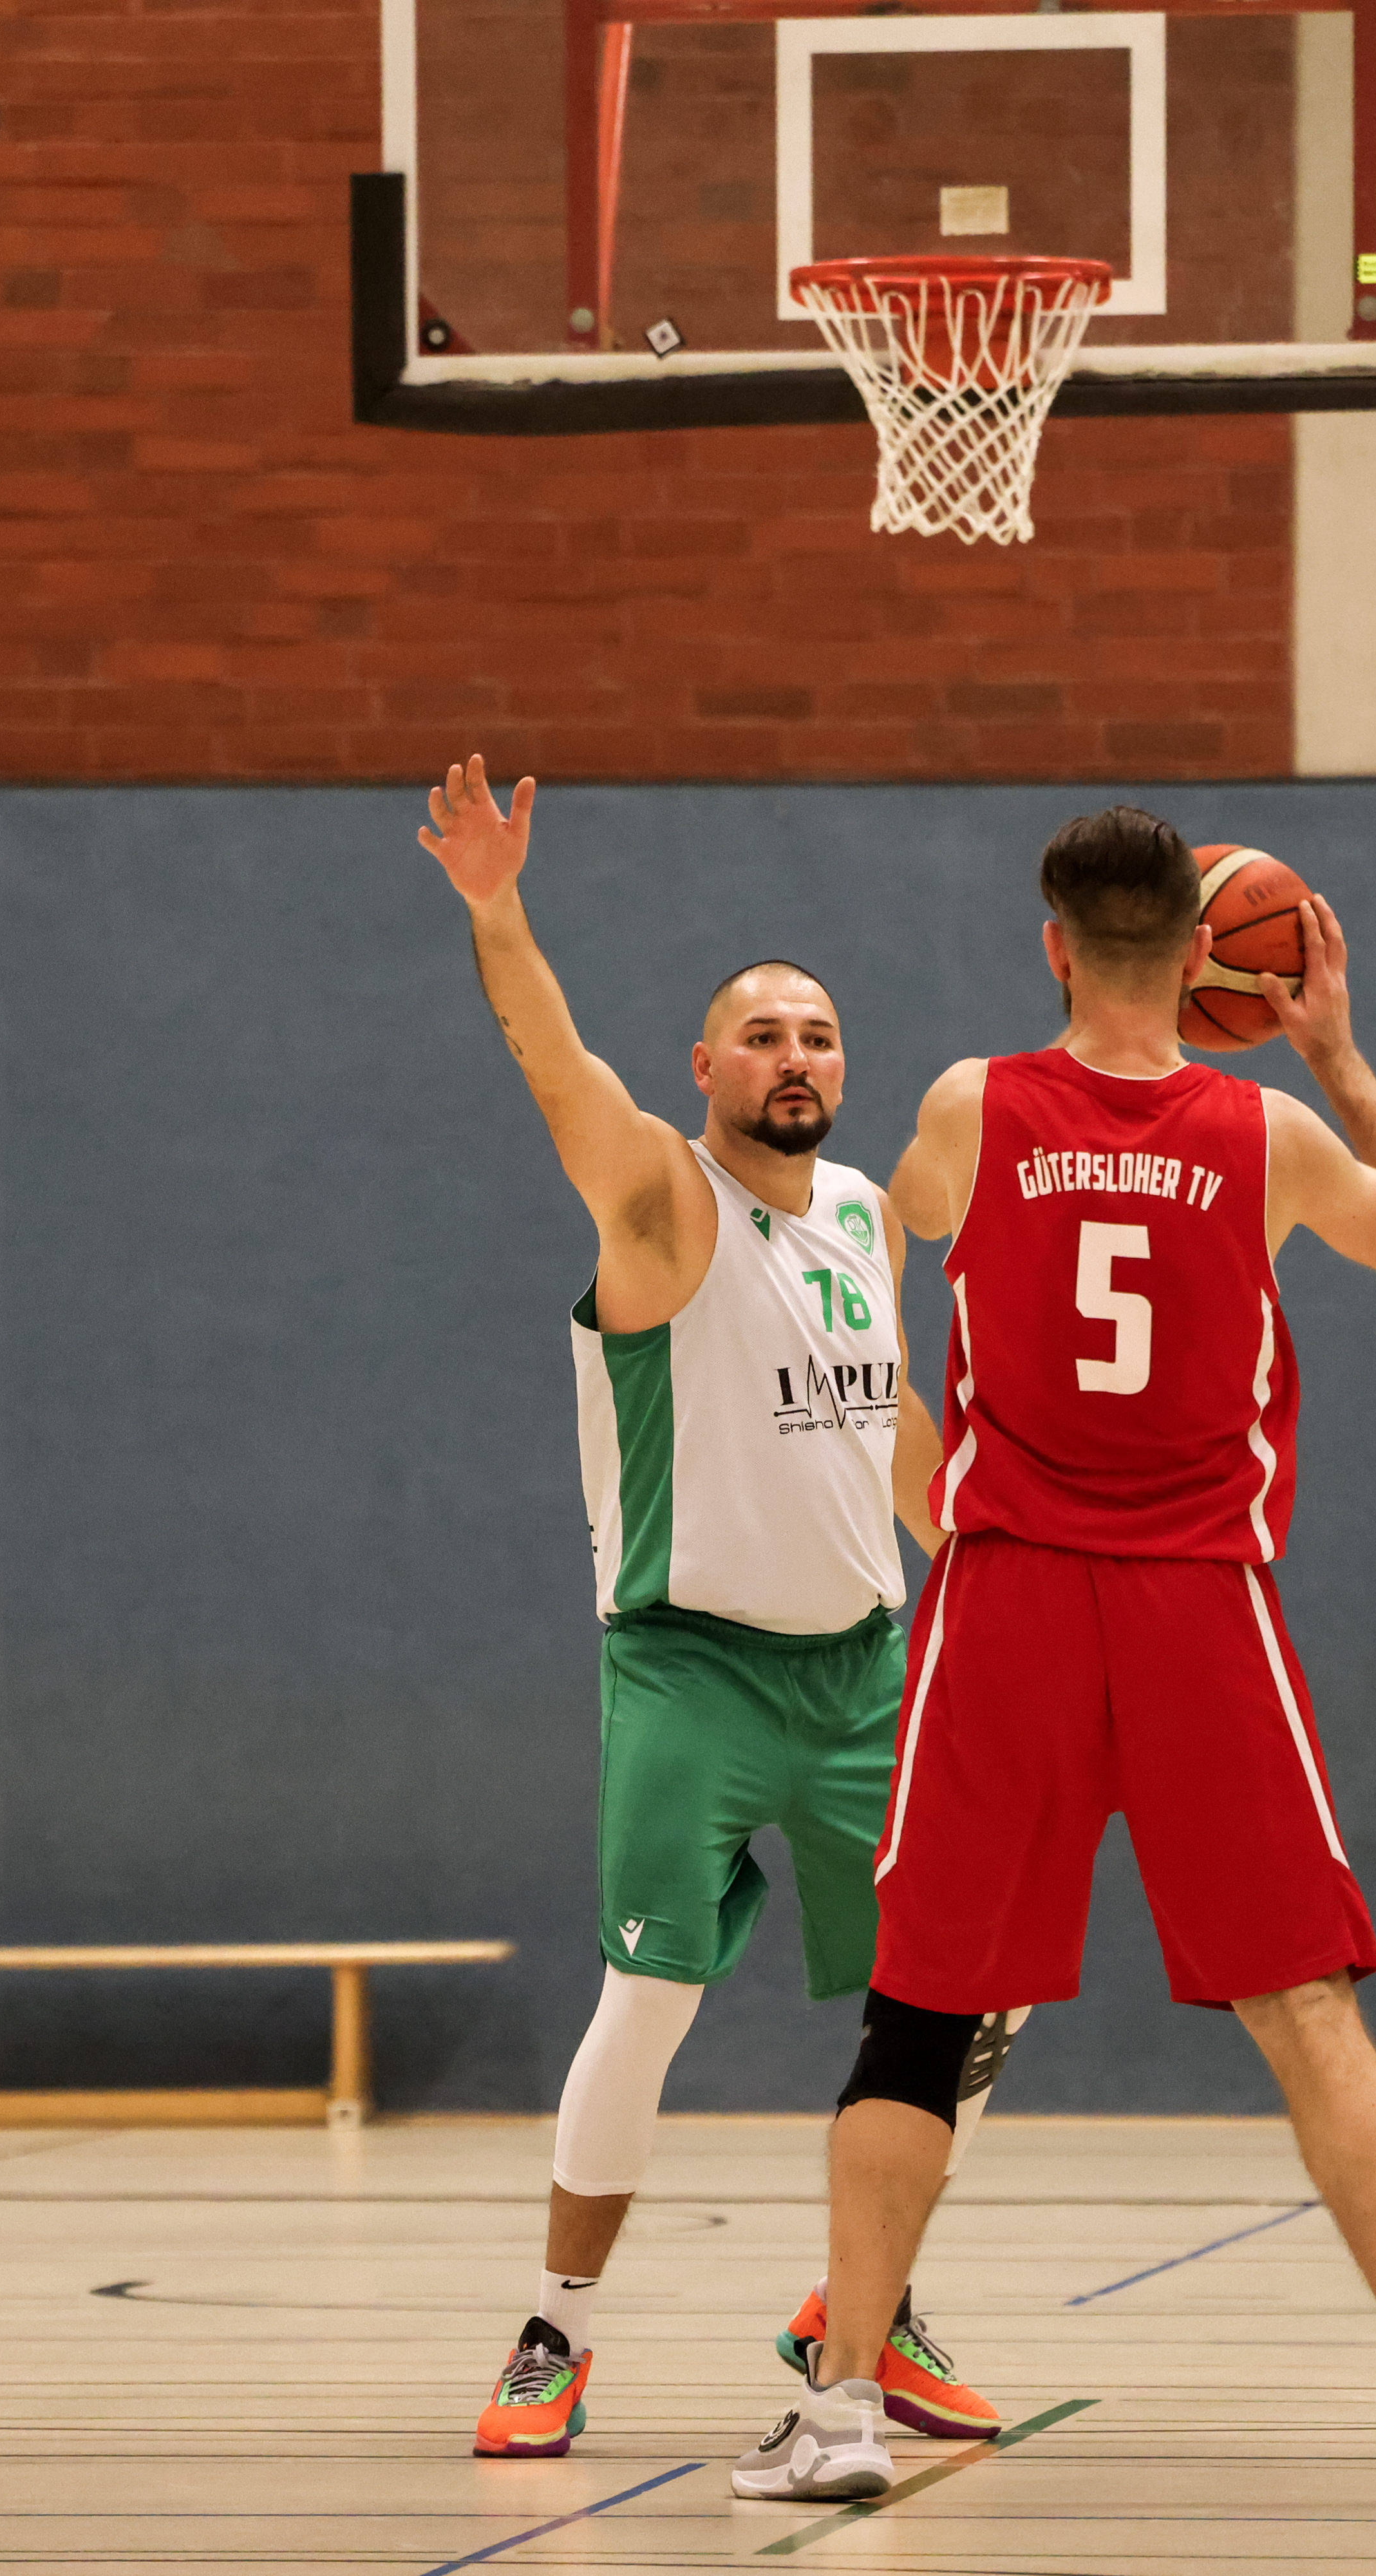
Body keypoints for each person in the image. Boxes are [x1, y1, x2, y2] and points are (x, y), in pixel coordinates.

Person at [733, 807, 1376, 2508]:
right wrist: (1339, 1058)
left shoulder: (973, 1105)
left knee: (920, 2015)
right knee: (1306, 2007)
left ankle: (844, 2412)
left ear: (1055, 947)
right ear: (1212, 958)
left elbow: (897, 1222)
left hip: (1009, 1599)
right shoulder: (1269, 1135)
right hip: (1200, 1607)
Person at [417, 755, 1016, 2461]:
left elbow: (886, 1428)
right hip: (688, 1668)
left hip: (868, 1672)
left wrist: (990, 1556)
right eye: (761, 1035)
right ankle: (556, 2328)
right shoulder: (662, 1200)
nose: (795, 1057)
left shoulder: (866, 1218)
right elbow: (557, 1066)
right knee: (652, 1999)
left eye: (818, 1034)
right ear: (706, 1069)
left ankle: (863, 2311)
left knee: (973, 1998)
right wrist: (497, 909)